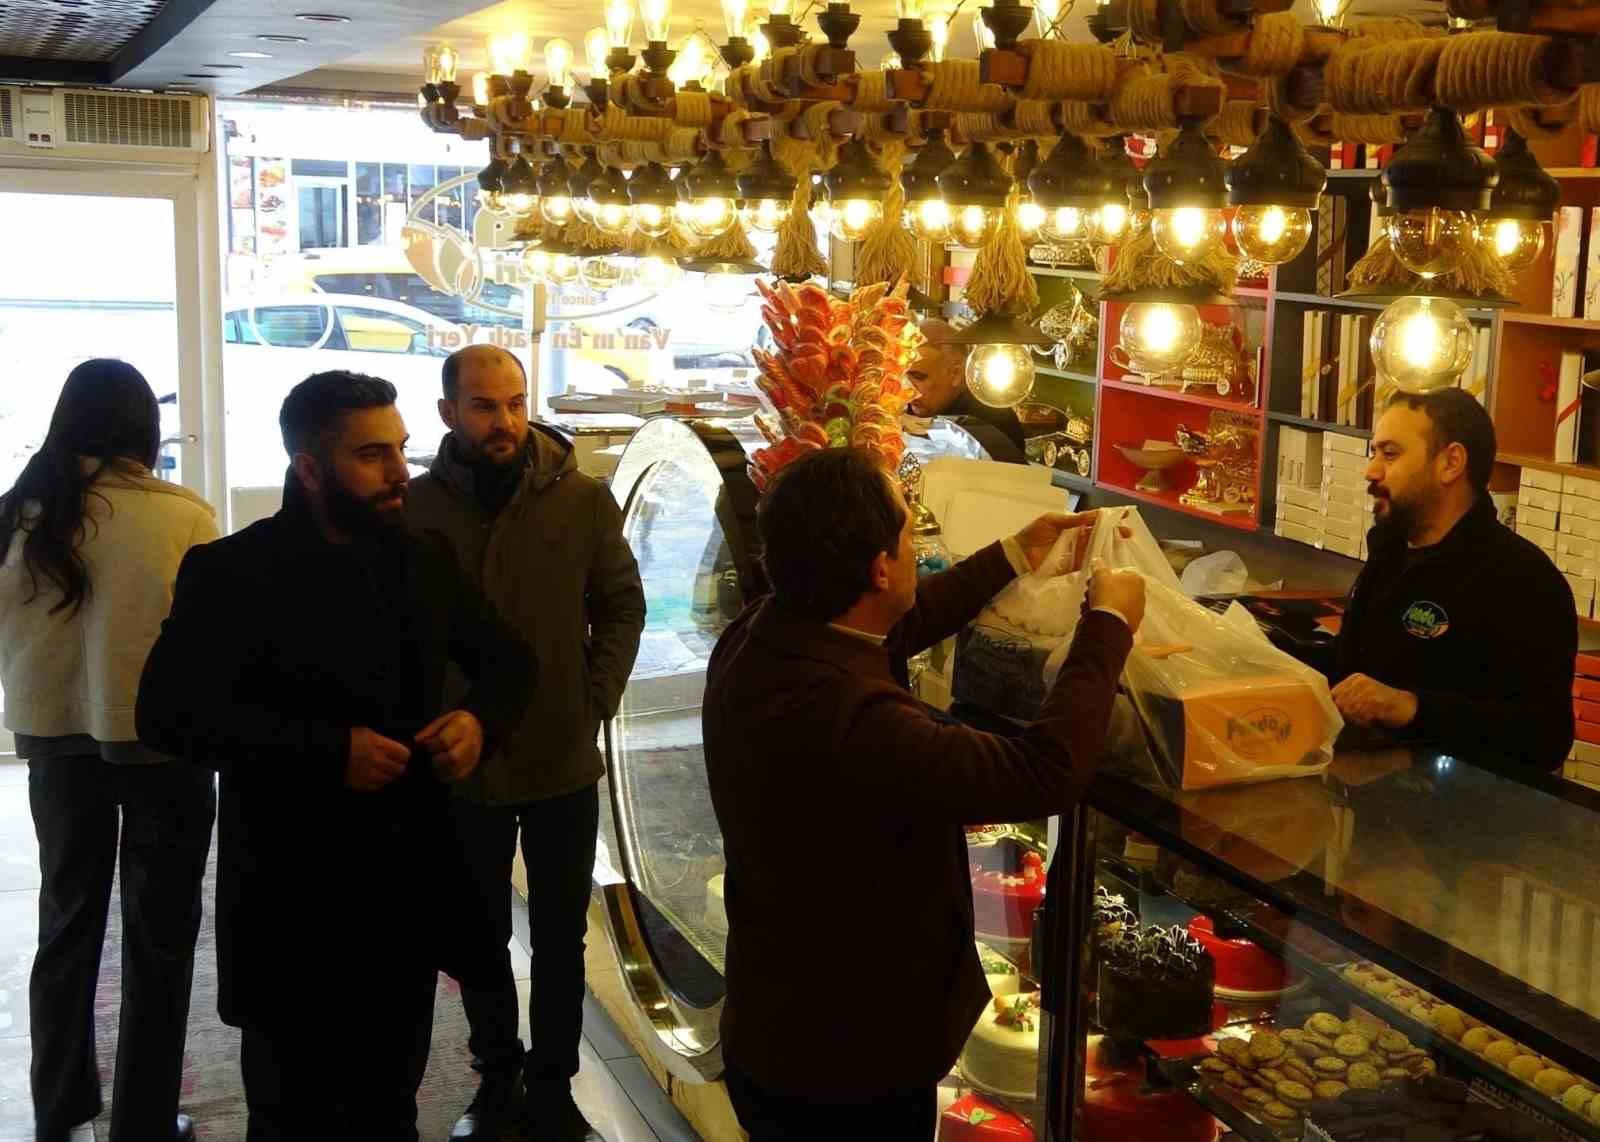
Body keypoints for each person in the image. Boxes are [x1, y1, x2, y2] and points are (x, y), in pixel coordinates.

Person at [136, 371, 534, 1142]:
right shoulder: (232, 572)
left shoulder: (425, 559)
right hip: (290, 901)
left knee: (390, 1106)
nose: (398, 474)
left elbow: (511, 663)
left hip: (403, 890)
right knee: (291, 1115)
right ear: (309, 468)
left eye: (402, 451)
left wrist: (479, 722)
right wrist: (324, 751)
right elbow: (168, 716)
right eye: (372, 455)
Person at [702, 446, 1144, 1138]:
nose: (916, 547)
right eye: (910, 533)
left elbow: (887, 626)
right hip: (848, 1072)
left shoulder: (759, 635)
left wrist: (1008, 556)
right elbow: (1044, 773)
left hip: (772, 1029)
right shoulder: (858, 722)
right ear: (880, 566)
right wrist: (1109, 627)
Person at [405, 344, 645, 1142]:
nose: (503, 420)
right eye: (482, 405)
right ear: (448, 414)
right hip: (460, 763)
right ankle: (496, 1076)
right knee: (476, 931)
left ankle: (553, 1085)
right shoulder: (417, 509)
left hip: (558, 756)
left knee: (559, 933)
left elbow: (620, 606)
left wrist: (594, 698)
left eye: (512, 402)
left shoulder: (579, 501)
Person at [0, 360, 217, 1142]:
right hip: (163, 748)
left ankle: (60, 1108)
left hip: (54, 749)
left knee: (67, 924)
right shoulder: (181, 516)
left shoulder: (20, 514)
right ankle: (147, 1121)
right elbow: (208, 644)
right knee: (159, 940)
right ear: (142, 430)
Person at [1332, 388, 1575, 769]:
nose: (1371, 470)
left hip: (1470, 818)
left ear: (1451, 463)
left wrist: (1413, 708)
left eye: (1390, 454)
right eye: (1372, 452)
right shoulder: (1390, 556)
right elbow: (1348, 672)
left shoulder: (1522, 580)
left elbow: (1545, 737)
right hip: (1373, 807)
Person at [906, 319, 1029, 463]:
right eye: (902, 376)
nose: (907, 389)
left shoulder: (994, 423)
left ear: (956, 373)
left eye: (919, 377)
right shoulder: (898, 413)